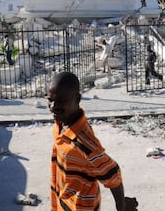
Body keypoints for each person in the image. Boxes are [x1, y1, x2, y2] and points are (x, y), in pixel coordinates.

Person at [47, 71, 138, 211]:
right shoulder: (61, 123)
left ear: (77, 99)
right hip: (63, 202)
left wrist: (122, 206)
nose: (53, 106)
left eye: (61, 101)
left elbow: (113, 176)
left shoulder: (84, 143)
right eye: (50, 99)